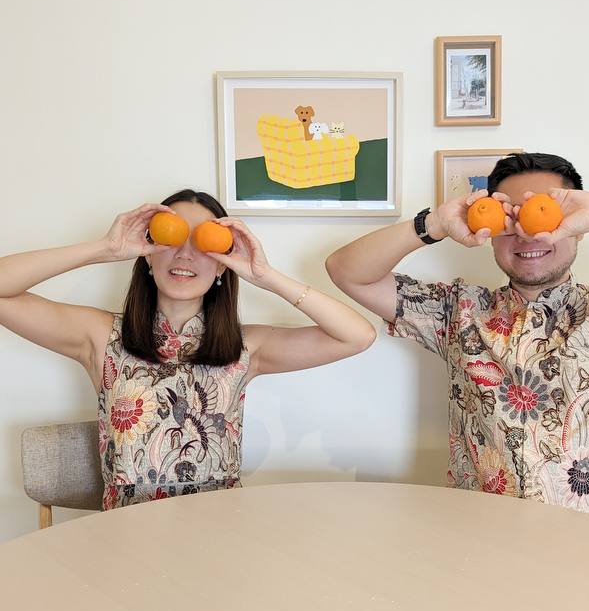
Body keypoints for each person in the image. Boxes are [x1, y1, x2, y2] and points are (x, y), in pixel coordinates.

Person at [326, 152, 589, 531]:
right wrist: (434, 224)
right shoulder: (457, 313)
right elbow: (347, 272)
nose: (527, 232)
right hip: (480, 550)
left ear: (577, 229)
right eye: (509, 218)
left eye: (548, 214)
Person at [0, 189, 375, 508]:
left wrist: (266, 276)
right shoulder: (101, 336)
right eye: (172, 238)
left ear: (222, 266)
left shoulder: (247, 347)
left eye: (204, 243)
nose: (185, 254)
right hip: (126, 539)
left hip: (218, 535)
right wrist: (104, 248)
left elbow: (357, 335)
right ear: (147, 253)